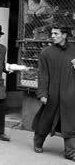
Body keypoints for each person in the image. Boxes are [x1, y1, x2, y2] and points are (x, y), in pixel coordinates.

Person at [32, 25, 75, 162]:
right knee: (46, 119)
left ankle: (70, 152)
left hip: (70, 94)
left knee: (70, 122)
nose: (53, 35)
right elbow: (43, 75)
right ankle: (38, 141)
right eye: (52, 33)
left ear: (65, 35)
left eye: (56, 33)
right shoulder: (46, 52)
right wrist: (42, 93)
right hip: (52, 94)